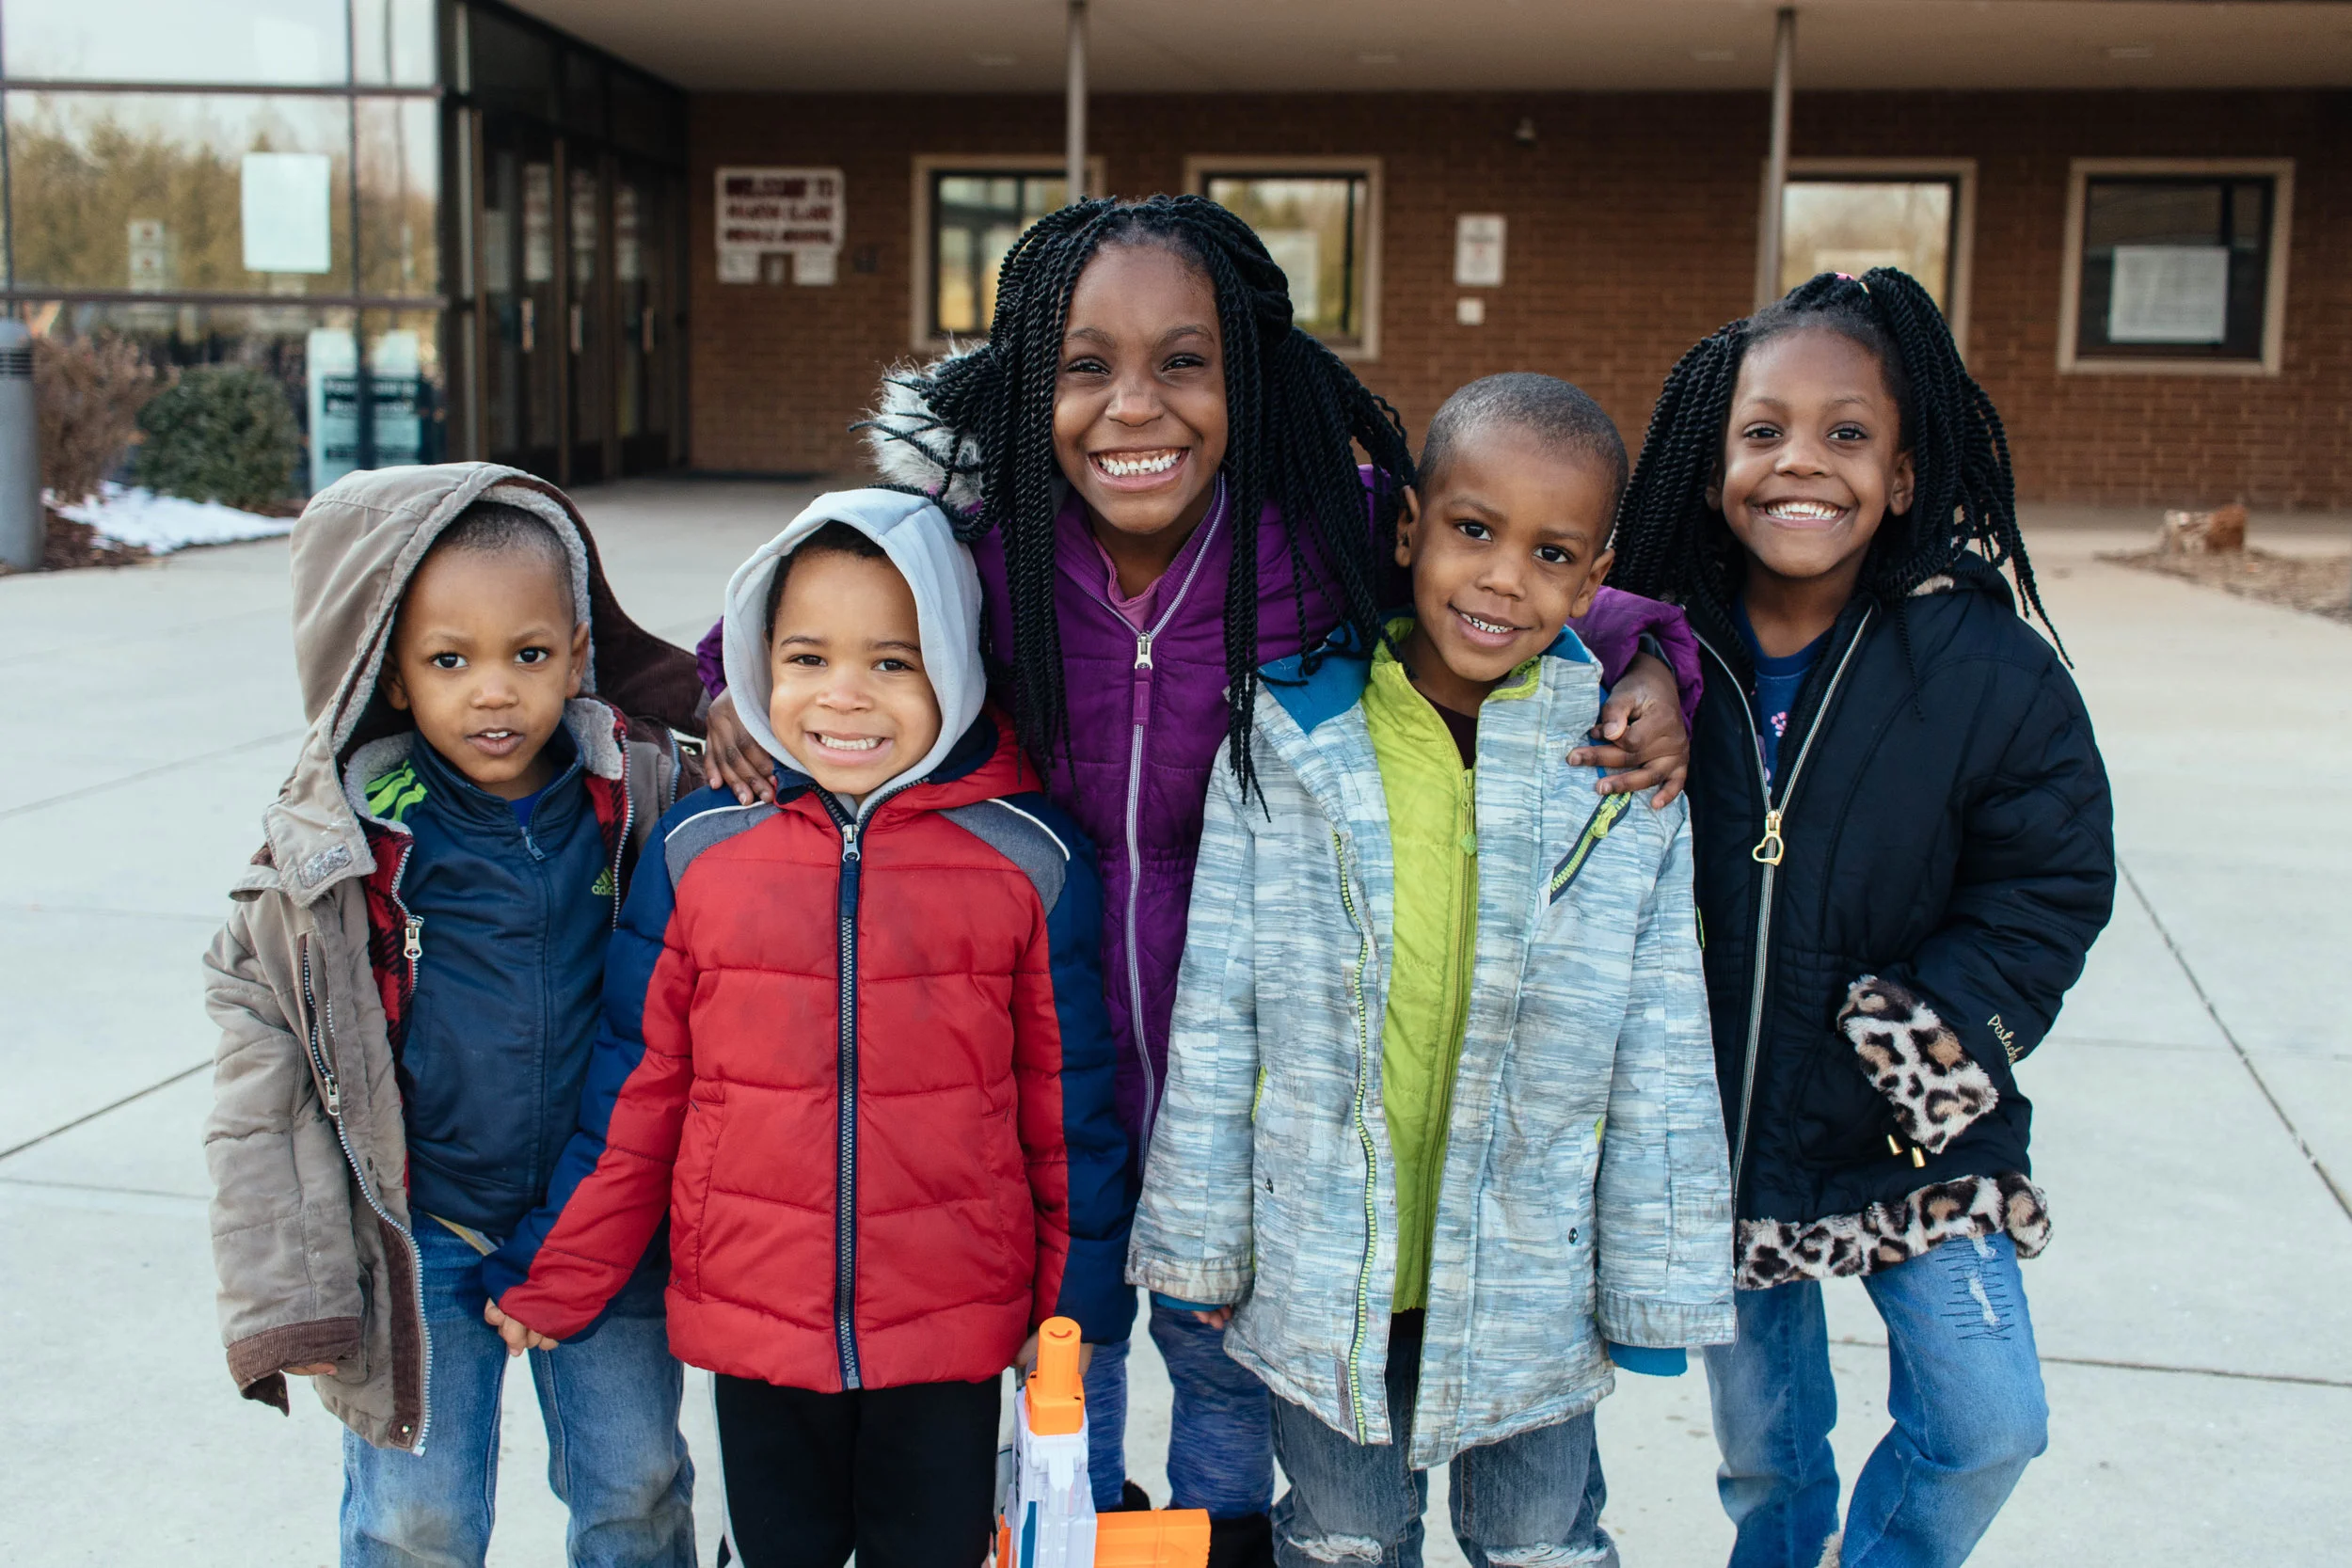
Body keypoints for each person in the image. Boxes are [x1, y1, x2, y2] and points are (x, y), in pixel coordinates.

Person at [695, 195, 1707, 1563]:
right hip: (1043, 1062)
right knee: (1070, 1371)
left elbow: (1517, 575)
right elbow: (796, 614)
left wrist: (1655, 662)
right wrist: (719, 688)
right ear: (1025, 381)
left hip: (1257, 1083)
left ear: (1248, 377)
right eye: (1086, 364)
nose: (1134, 406)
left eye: (1183, 361)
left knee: (1231, 1381)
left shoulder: (1317, 535)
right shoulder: (985, 546)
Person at [1127, 372, 1734, 1568]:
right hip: (1325, 1253)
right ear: (1409, 527)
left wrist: (1655, 1276)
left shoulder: (1615, 774)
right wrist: (1201, 1241)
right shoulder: (1290, 742)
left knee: (1537, 1534)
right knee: (1344, 1531)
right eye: (1473, 531)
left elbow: (1664, 1035)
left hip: (1528, 1266)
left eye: (1552, 552)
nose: (1504, 577)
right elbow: (1217, 1014)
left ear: (1594, 576)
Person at [481, 490, 1133, 1568]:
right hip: (756, 1315)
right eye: (806, 657)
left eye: (891, 661)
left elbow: (1070, 1105)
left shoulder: (1027, 856)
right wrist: (562, 1268)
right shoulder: (701, 848)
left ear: (957, 668)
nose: (843, 697)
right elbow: (636, 1089)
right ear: (754, 662)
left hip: (951, 1324)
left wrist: (1068, 1308)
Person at [1608, 269, 2117, 1568]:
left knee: (1990, 1417)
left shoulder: (1981, 664)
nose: (1801, 464)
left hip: (1917, 1125)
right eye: (1762, 429)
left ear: (1901, 473)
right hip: (1721, 1122)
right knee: (1770, 1456)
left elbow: (2049, 877)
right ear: (1712, 458)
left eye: (1847, 434)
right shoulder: (1665, 655)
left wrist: (1935, 1030)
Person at [201, 464, 707, 1568]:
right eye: (449, 660)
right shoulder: (342, 846)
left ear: (578, 654)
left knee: (637, 1485)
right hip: (421, 1229)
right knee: (414, 1519)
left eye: (528, 655)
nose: (493, 690)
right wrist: (288, 1289)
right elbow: (258, 1071)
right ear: (391, 674)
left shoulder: (646, 796)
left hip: (599, 1220)